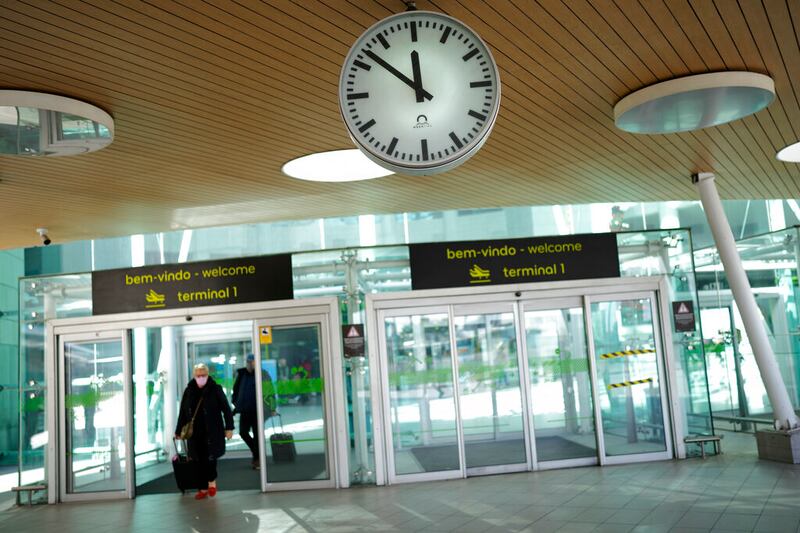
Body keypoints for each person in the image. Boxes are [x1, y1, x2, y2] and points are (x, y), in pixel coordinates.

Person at [175, 363, 233, 500]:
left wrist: (229, 428)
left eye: (203, 375)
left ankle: (211, 482)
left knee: (210, 458)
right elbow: (183, 412)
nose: (201, 377)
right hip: (194, 433)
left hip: (212, 431)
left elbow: (226, 409)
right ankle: (202, 488)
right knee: (197, 460)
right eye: (198, 375)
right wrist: (178, 431)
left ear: (207, 375)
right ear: (194, 376)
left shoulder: (215, 389)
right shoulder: (188, 391)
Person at [232, 354, 275, 470]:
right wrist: (235, 403)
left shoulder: (263, 374)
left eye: (252, 362)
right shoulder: (242, 375)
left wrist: (272, 408)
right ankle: (257, 453)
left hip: (258, 411)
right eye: (248, 362)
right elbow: (235, 390)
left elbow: (270, 391)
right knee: (243, 432)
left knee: (257, 435)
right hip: (245, 410)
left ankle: (257, 459)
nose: (250, 364)